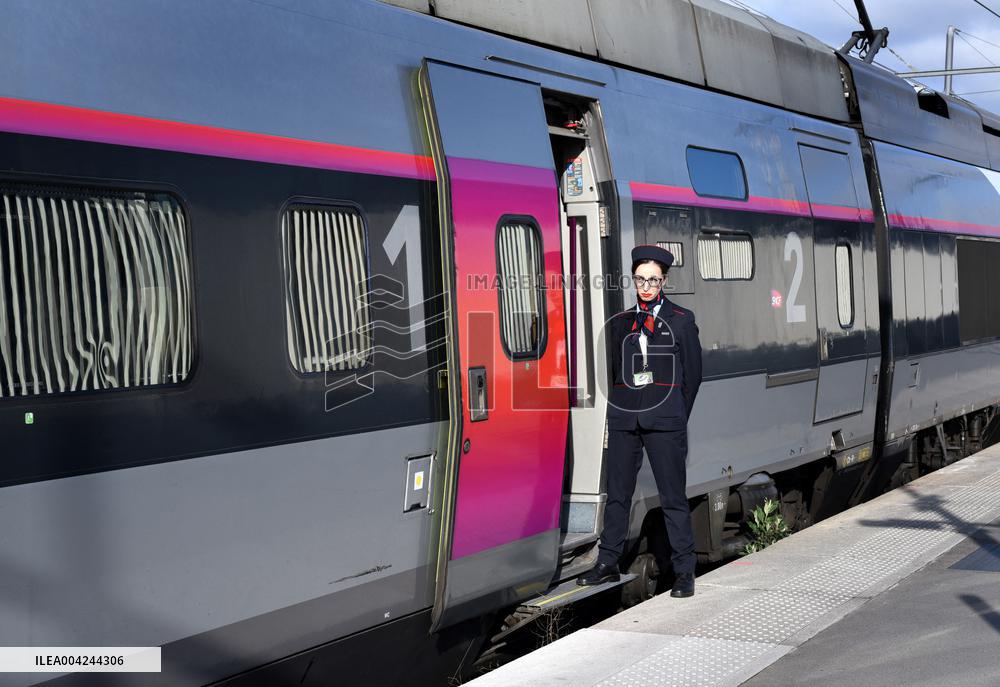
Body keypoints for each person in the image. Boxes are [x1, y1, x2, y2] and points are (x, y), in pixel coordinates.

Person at [578, 244, 703, 598]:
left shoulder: (682, 320)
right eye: (639, 279)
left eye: (653, 280)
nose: (646, 286)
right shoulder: (620, 323)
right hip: (624, 420)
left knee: (672, 497)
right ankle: (607, 562)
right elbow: (616, 371)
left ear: (663, 280)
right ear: (633, 280)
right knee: (617, 494)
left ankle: (684, 572)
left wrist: (675, 415)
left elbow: (693, 376)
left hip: (665, 422)